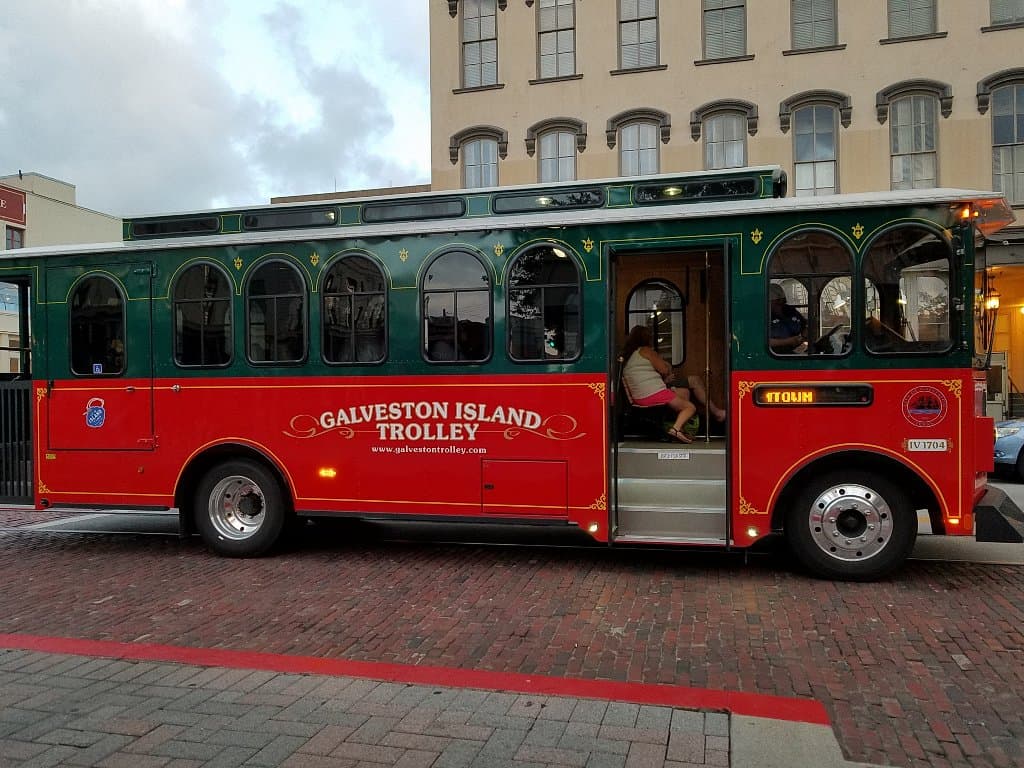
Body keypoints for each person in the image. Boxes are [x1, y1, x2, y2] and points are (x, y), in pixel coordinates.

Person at [621, 325, 697, 443]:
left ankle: (680, 427)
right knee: (690, 407)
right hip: (653, 394)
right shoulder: (646, 351)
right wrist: (664, 363)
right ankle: (676, 429)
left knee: (684, 392)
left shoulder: (629, 355)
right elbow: (664, 370)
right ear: (647, 338)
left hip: (639, 397)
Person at [768, 283, 808, 353]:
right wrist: (788, 341)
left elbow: (805, 325)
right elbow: (761, 341)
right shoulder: (763, 316)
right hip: (775, 354)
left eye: (782, 301)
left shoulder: (791, 310)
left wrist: (803, 338)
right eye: (777, 302)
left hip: (798, 351)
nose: (780, 305)